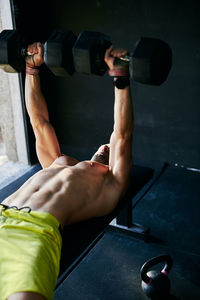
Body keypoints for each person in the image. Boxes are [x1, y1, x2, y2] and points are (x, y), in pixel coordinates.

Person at [0, 42, 134, 300]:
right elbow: (39, 121)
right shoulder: (55, 162)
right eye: (105, 146)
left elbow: (123, 134)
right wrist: (31, 68)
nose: (106, 147)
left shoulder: (110, 184)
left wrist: (120, 77)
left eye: (109, 148)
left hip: (33, 235)